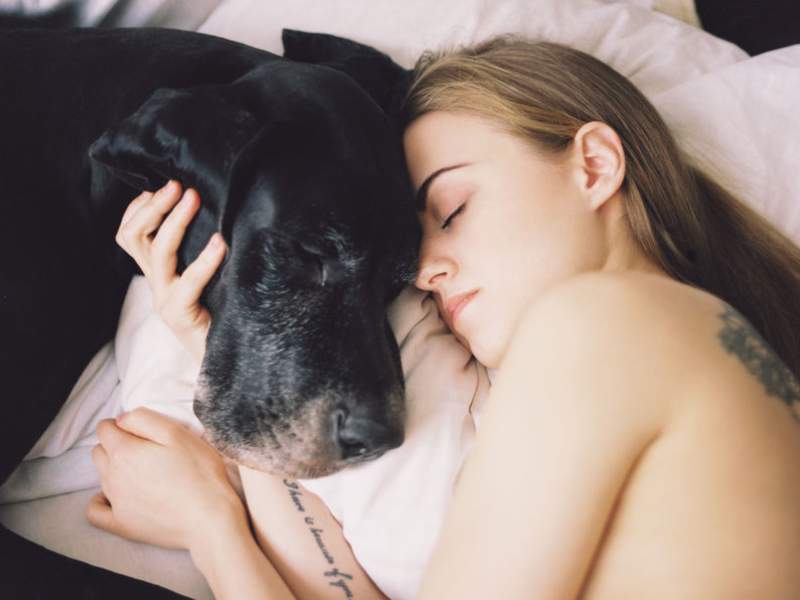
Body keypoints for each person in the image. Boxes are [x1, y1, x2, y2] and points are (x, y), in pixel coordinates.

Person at [87, 35, 800, 598]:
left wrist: (215, 535)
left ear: (593, 164)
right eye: (416, 253)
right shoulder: (570, 387)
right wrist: (218, 360)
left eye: (453, 210)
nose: (426, 272)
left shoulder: (612, 322)